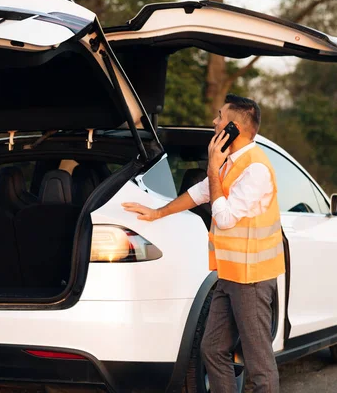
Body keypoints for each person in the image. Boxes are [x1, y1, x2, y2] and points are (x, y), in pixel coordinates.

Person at [122, 94, 284, 393]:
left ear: (233, 127)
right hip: (230, 275)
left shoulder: (255, 169)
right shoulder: (230, 164)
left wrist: (212, 166)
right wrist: (157, 213)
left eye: (219, 116)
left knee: (258, 362)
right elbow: (201, 193)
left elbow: (224, 217)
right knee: (212, 349)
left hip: (251, 279)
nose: (214, 121)